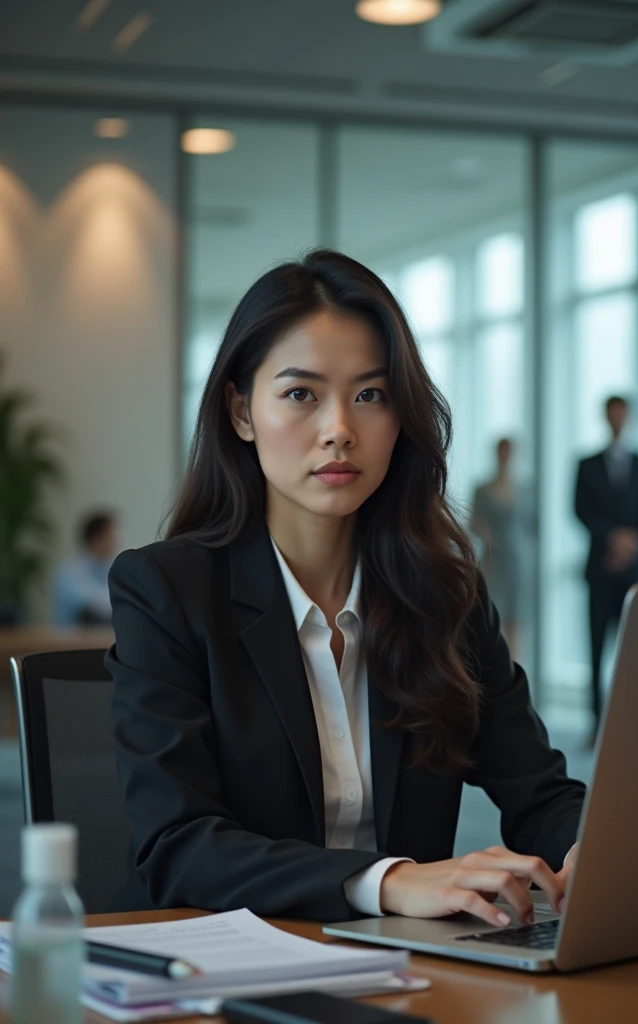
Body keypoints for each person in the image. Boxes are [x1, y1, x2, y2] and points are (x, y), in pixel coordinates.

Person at [106, 250, 585, 925]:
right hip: (214, 971)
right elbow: (179, 846)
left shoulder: (445, 595)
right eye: (301, 394)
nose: (339, 430)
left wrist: (593, 849)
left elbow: (540, 794)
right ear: (242, 412)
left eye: (370, 395)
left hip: (404, 973)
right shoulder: (167, 591)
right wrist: (387, 882)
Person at [575, 396, 638, 745]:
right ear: (606, 417)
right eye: (613, 414)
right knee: (596, 648)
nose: (618, 420)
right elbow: (579, 509)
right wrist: (611, 537)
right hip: (599, 568)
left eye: (623, 414)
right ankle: (597, 724)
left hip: (633, 571)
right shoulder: (587, 463)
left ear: (629, 417)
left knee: (636, 650)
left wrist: (629, 542)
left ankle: (635, 720)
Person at [470, 438, 523, 656]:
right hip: (493, 558)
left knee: (516, 618)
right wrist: (487, 538)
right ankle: (495, 670)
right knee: (492, 613)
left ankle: (515, 670)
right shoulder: (482, 489)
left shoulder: (522, 488)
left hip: (517, 560)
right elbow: (473, 521)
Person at [53, 511, 119, 627]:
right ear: (97, 539)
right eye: (111, 537)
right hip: (70, 642)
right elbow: (93, 603)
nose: (116, 542)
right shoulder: (69, 571)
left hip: (101, 640)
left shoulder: (110, 568)